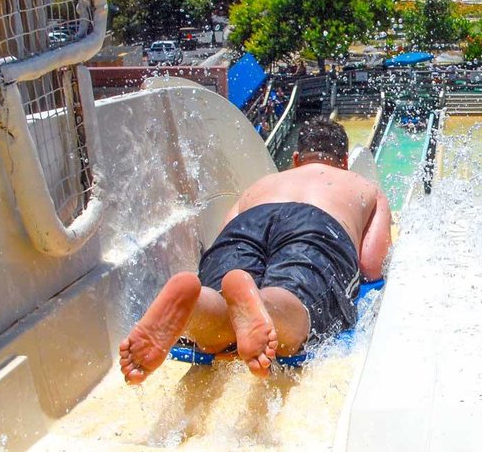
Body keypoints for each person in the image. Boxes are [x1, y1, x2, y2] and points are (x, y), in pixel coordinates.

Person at [119, 117, 393, 383]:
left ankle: (196, 306)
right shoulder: (363, 186)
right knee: (296, 299)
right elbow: (371, 265)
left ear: (296, 159)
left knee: (222, 299)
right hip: (317, 223)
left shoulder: (260, 185)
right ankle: (263, 303)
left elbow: (222, 239)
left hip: (247, 222)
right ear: (344, 161)